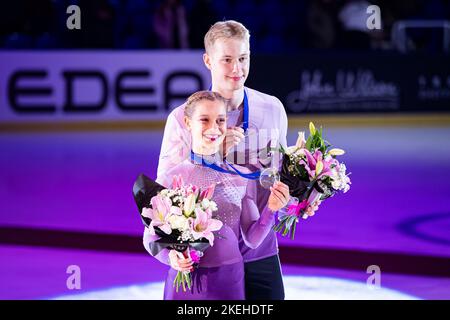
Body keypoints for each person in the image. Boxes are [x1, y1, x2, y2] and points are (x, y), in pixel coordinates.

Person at [154, 20, 319, 300]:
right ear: (208, 60)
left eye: (243, 58)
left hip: (262, 247)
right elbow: (162, 199)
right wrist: (171, 254)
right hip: (208, 257)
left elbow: (276, 175)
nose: (237, 69)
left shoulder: (272, 108)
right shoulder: (183, 118)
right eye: (227, 60)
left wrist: (301, 199)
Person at [144, 91, 290, 300]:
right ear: (187, 122)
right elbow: (149, 237)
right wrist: (172, 258)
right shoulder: (172, 178)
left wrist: (271, 209)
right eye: (204, 119)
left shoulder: (242, 176)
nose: (214, 128)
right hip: (187, 283)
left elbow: (253, 239)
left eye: (220, 120)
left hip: (229, 281)